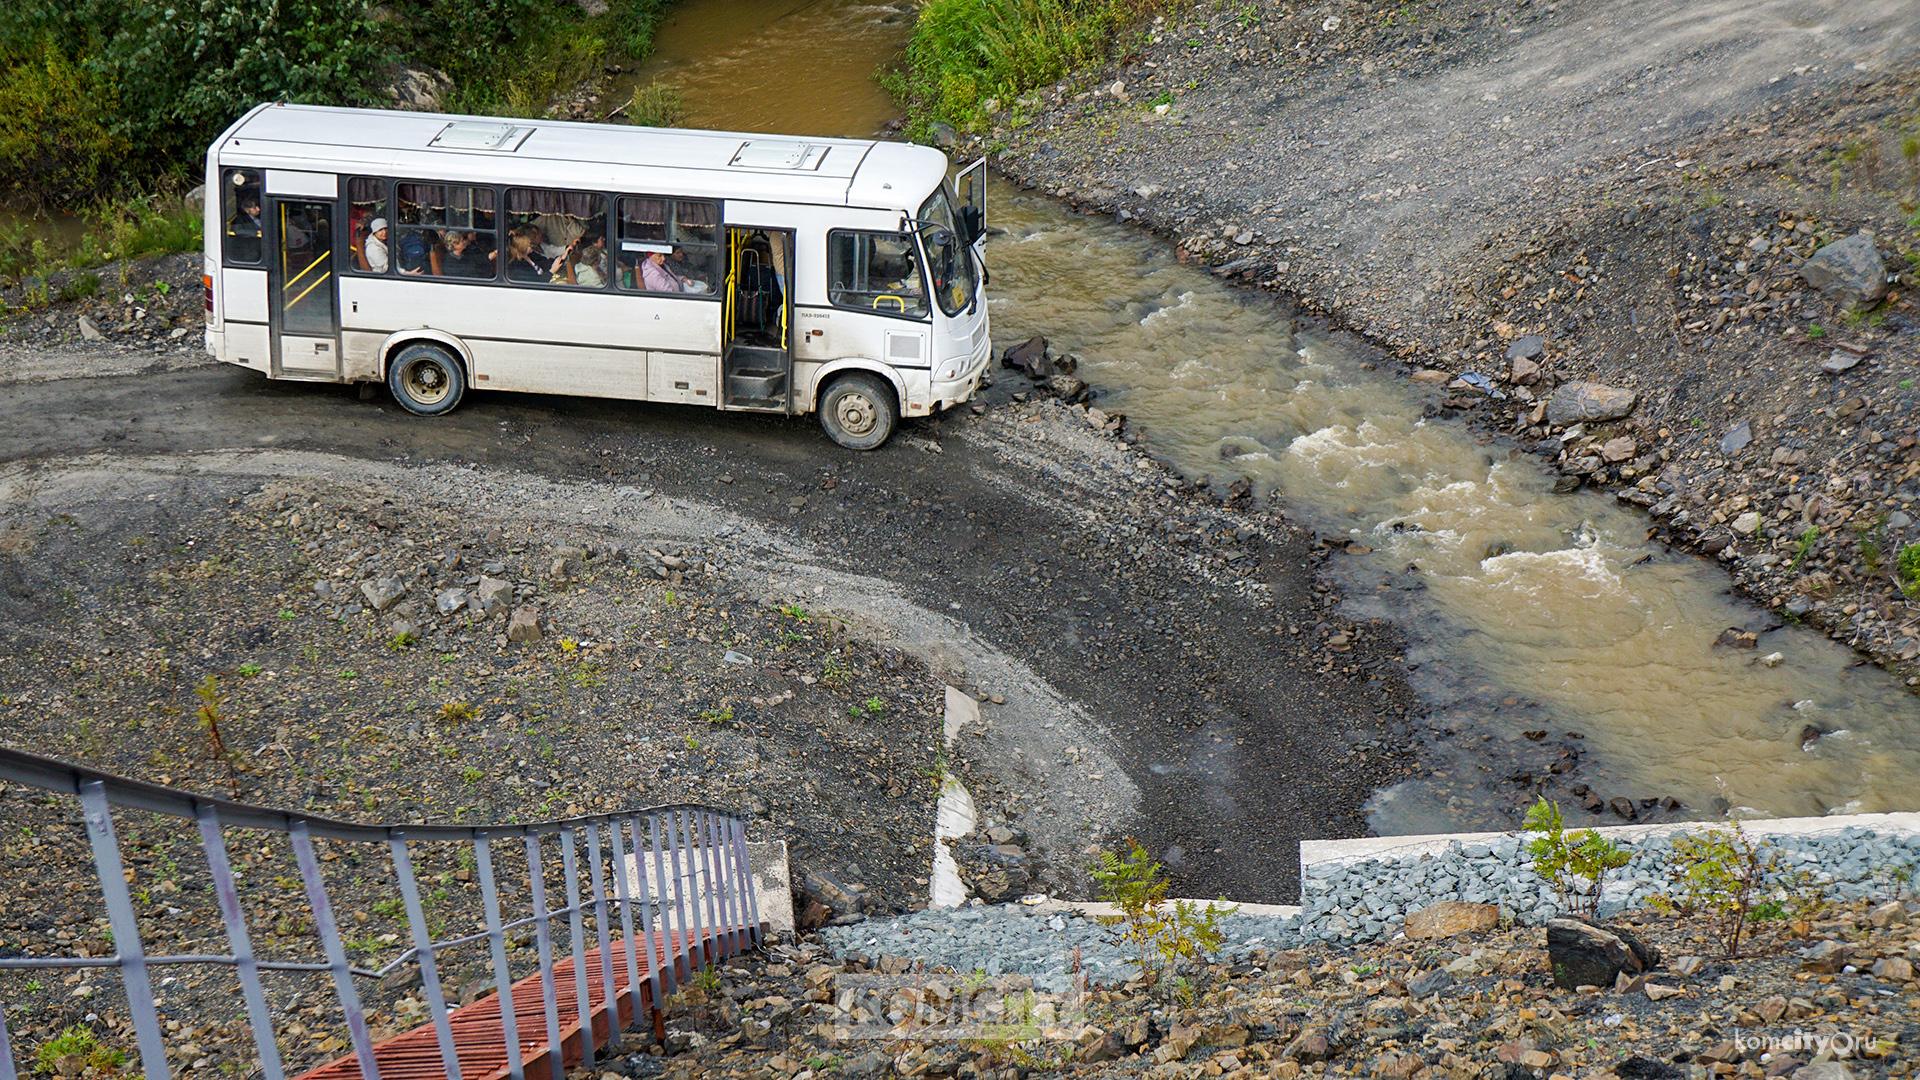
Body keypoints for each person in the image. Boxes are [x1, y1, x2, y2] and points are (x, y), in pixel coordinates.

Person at [229, 194, 263, 262]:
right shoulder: (240, 220)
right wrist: (256, 233)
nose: (258, 209)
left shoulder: (259, 217)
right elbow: (237, 230)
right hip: (250, 252)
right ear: (247, 210)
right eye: (254, 207)